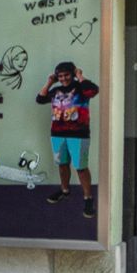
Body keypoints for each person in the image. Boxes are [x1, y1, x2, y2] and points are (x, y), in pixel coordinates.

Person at [36, 60, 101, 202]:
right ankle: (64, 190)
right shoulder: (55, 90)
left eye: (66, 75)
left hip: (78, 135)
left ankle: (88, 197)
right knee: (62, 164)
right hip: (57, 134)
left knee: (81, 167)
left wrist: (80, 75)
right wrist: (49, 82)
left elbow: (93, 90)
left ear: (72, 74)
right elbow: (40, 99)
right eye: (60, 76)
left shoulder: (81, 88)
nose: (63, 78)